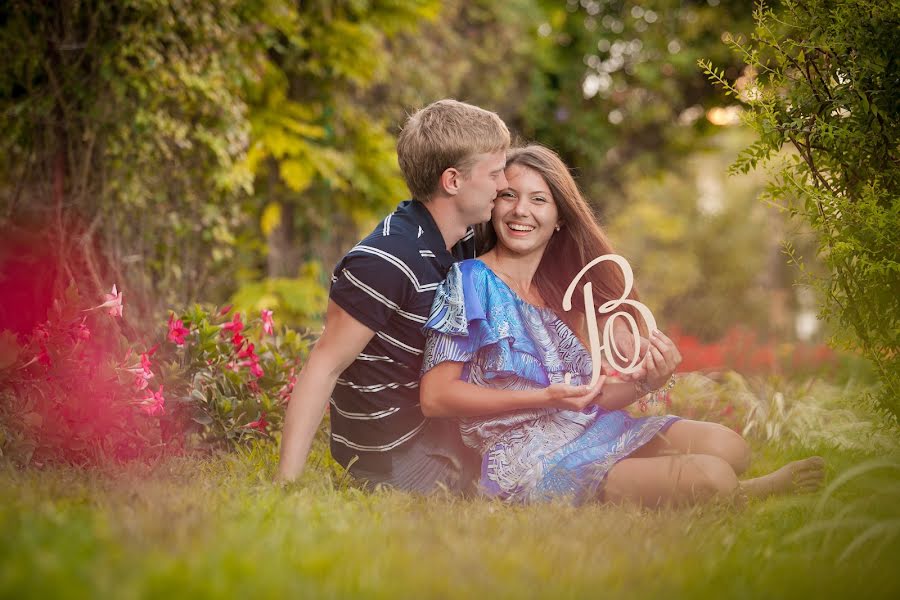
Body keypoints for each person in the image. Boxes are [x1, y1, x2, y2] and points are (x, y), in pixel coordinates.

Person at [419, 144, 826, 506]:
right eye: (508, 195)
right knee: (713, 476)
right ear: (493, 205)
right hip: (527, 457)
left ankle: (681, 482)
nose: (521, 210)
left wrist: (647, 382)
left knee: (730, 446)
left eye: (539, 199)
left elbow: (587, 398)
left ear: (560, 216)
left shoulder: (565, 293)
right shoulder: (469, 280)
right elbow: (435, 397)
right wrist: (547, 398)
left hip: (588, 428)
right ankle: (739, 494)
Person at [276, 99, 510, 492]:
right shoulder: (385, 261)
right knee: (527, 480)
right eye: (496, 174)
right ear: (452, 182)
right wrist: (286, 484)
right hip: (394, 455)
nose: (504, 186)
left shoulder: (464, 237)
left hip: (439, 425)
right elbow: (325, 365)